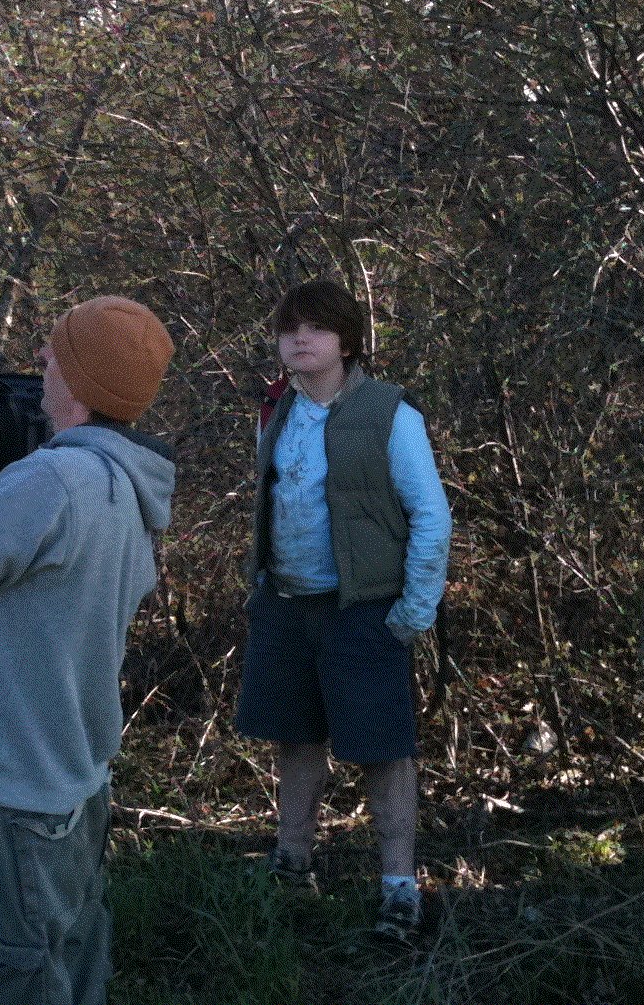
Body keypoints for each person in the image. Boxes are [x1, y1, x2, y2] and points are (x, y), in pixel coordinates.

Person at [0, 294, 176, 1005]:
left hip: (3, 792)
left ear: (78, 386)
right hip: (72, 783)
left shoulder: (48, 484)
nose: (41, 360)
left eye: (55, 352)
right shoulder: (127, 485)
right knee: (66, 972)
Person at [234, 278, 452, 941]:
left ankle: (398, 889)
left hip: (362, 608)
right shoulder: (278, 410)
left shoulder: (390, 413)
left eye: (317, 328)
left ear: (348, 340)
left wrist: (413, 612)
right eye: (290, 327)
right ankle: (292, 863)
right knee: (295, 738)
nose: (300, 338)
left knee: (384, 749)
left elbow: (431, 517)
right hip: (286, 602)